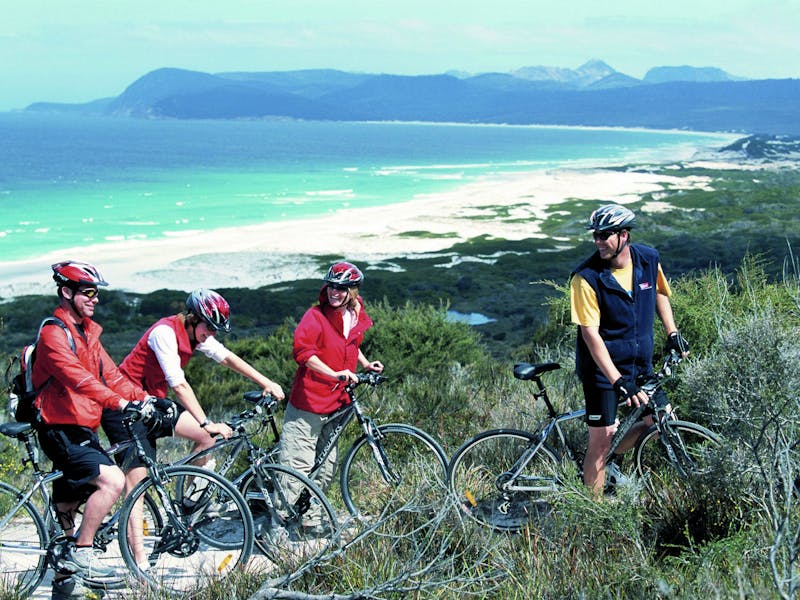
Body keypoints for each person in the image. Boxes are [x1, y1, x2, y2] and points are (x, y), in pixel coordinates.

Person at [100, 288, 284, 565]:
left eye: (215, 331)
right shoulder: (164, 333)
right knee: (136, 486)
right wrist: (207, 422)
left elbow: (227, 358)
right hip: (124, 408)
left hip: (153, 404)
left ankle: (189, 501)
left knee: (206, 440)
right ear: (193, 318)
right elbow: (179, 384)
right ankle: (138, 563)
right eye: (208, 328)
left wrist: (266, 382)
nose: (211, 335)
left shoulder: (197, 334)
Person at [33, 261, 152, 599]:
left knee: (70, 503)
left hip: (82, 426)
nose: (94, 298)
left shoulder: (87, 333)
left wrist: (146, 399)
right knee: (112, 480)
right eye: (88, 291)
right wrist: (118, 404)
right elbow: (79, 379)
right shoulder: (53, 334)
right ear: (66, 292)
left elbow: (111, 376)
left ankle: (66, 580)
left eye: (96, 292)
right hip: (59, 428)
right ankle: (82, 553)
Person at [569, 205, 689, 498]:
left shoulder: (648, 259)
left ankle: (609, 459)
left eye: (605, 235)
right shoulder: (586, 278)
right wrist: (617, 381)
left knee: (663, 423)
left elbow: (660, 293)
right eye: (595, 235)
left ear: (624, 235)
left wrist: (672, 333)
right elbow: (590, 334)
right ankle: (593, 513)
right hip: (602, 372)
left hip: (640, 365)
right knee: (601, 440)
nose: (598, 241)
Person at [279, 261, 383, 531]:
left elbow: (351, 342)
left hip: (338, 404)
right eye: (331, 286)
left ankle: (310, 522)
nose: (334, 292)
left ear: (353, 290)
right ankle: (278, 526)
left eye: (341, 288)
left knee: (325, 469)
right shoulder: (315, 317)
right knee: (296, 467)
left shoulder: (354, 312)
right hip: (309, 403)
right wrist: (334, 373)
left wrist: (364, 364)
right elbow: (304, 354)